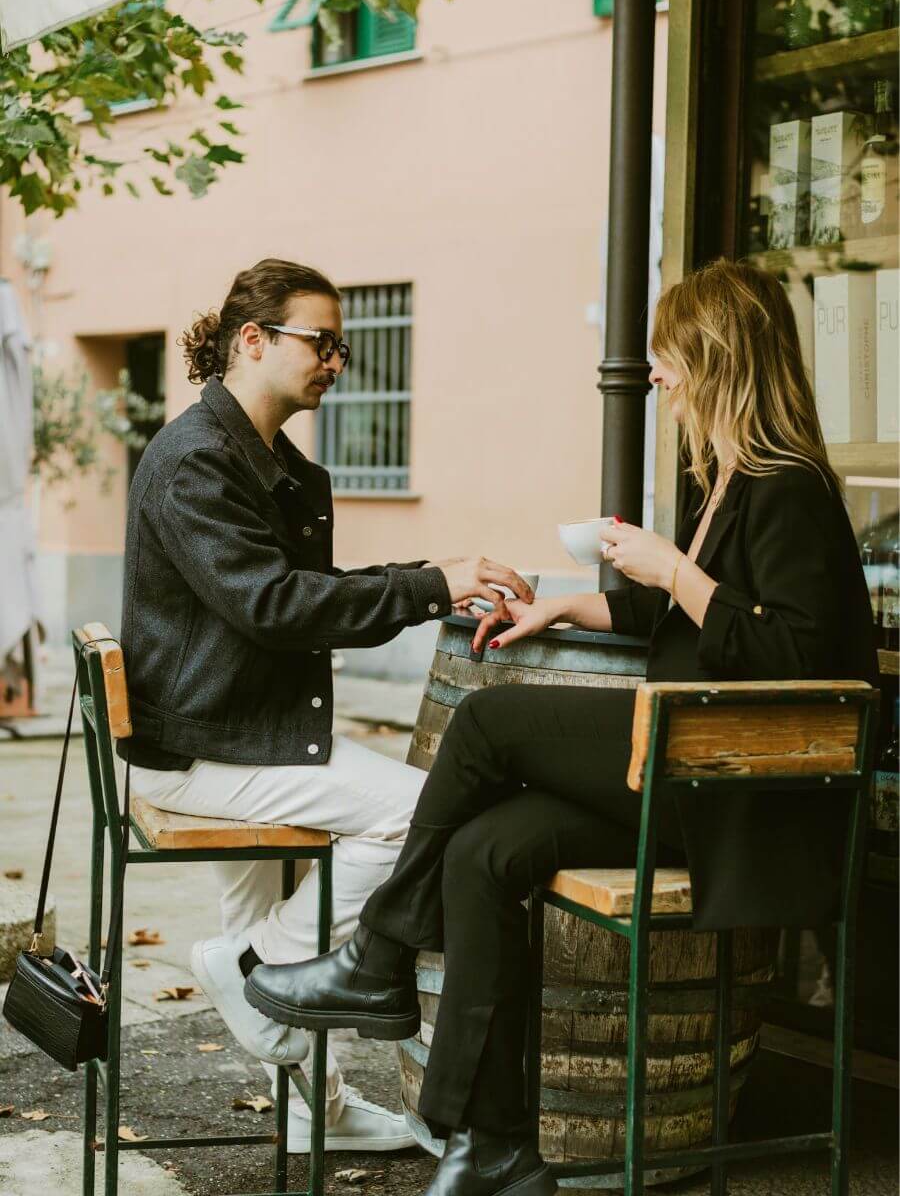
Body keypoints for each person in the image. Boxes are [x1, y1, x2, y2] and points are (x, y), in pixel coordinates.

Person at [244, 257, 879, 1195]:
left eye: (667, 355)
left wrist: (673, 569)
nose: (654, 374)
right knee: (483, 852)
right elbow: (683, 619)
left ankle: (378, 955)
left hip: (739, 797)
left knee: (489, 721)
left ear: (717, 357)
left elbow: (790, 655)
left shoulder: (792, 490)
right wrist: (567, 608)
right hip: (685, 782)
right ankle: (492, 1144)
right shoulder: (728, 481)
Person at [118, 258, 532, 1154]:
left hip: (238, 729)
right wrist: (431, 584)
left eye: (342, 347)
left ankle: (318, 1110)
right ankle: (252, 968)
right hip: (206, 747)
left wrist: (432, 580)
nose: (337, 362)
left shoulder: (266, 460)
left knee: (270, 910)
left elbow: (303, 590)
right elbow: (274, 606)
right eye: (323, 342)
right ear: (252, 339)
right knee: (419, 813)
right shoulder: (196, 461)